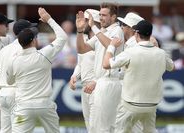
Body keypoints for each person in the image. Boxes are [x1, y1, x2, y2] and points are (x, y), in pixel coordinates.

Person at [103, 20, 174, 132]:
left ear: (136, 34)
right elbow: (172, 67)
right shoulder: (161, 53)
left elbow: (106, 64)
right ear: (150, 35)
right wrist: (157, 47)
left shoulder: (131, 52)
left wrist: (111, 46)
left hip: (130, 104)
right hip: (151, 105)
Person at [6, 7, 67, 133]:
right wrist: (49, 19)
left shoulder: (13, 60)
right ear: (34, 41)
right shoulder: (44, 54)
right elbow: (62, 37)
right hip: (45, 105)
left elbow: (10, 81)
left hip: (23, 107)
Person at [76, 2, 124, 132]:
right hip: (101, 82)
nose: (101, 18)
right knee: (97, 126)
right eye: (100, 15)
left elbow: (110, 45)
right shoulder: (102, 32)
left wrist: (94, 28)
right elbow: (82, 49)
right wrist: (80, 31)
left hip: (109, 81)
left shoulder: (117, 30)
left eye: (104, 15)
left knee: (102, 127)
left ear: (113, 17)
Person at [0, 19, 37, 133]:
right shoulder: (24, 49)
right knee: (20, 129)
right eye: (30, 29)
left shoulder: (6, 48)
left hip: (3, 93)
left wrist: (4, 80)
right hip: (17, 93)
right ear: (25, 31)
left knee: (5, 129)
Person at [69, 8, 100, 131]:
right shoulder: (84, 40)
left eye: (86, 20)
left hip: (97, 87)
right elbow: (80, 63)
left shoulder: (101, 40)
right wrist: (74, 76)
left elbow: (109, 66)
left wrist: (96, 81)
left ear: (94, 22)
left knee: (97, 124)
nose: (83, 23)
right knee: (89, 124)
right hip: (85, 87)